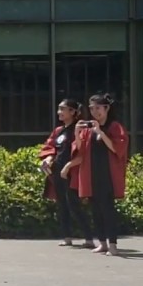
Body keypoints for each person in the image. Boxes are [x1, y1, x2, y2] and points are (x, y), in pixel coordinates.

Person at [69, 93, 129, 256]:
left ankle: (113, 245)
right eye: (92, 109)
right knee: (95, 209)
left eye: (98, 108)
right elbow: (79, 148)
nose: (95, 112)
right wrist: (76, 132)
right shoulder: (89, 129)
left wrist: (101, 133)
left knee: (107, 210)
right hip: (91, 174)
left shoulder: (114, 126)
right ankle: (102, 243)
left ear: (107, 108)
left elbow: (118, 148)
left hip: (107, 175)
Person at [39, 99, 93, 248]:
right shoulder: (58, 130)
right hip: (58, 170)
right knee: (62, 204)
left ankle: (89, 238)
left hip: (72, 171)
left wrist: (69, 166)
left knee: (74, 204)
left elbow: (82, 151)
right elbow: (51, 147)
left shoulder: (80, 128)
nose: (59, 112)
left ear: (73, 112)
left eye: (63, 109)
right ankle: (67, 236)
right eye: (59, 109)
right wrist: (49, 158)